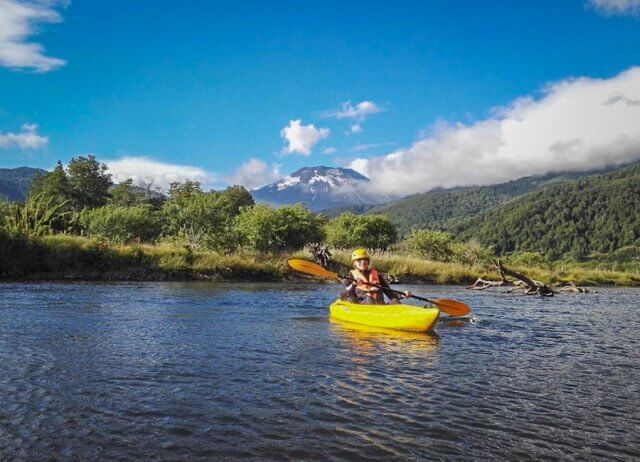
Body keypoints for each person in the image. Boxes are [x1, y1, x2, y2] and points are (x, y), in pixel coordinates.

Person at [340, 248, 411, 305]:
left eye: (365, 259)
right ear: (354, 263)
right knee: (369, 297)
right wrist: (354, 285)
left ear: (368, 262)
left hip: (379, 308)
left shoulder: (377, 276)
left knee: (395, 301)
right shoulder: (349, 278)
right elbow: (343, 296)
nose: (363, 262)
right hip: (361, 307)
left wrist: (402, 295)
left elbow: (390, 293)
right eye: (359, 260)